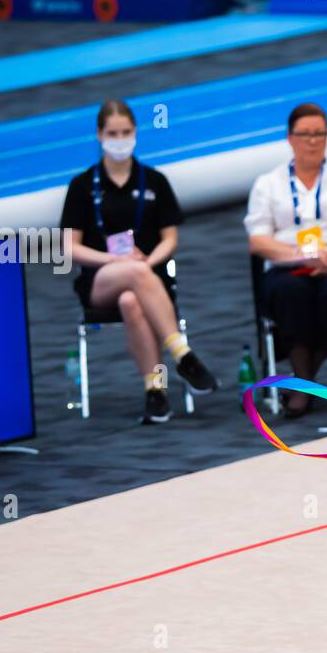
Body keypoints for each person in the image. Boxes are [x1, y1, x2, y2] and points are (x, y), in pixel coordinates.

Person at [61, 99, 219, 424]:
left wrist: (146, 263)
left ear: (136, 132)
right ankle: (181, 354)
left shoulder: (155, 181)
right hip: (101, 279)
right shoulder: (81, 186)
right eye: (112, 133)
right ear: (99, 135)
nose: (120, 139)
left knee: (132, 299)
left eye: (126, 132)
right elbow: (69, 248)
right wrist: (114, 260)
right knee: (130, 275)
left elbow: (170, 240)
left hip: (150, 276)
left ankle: (155, 390)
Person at [245, 103, 327, 418]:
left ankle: (302, 383)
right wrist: (297, 256)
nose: (313, 141)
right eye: (305, 134)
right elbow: (258, 240)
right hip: (288, 264)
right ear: (290, 138)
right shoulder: (268, 183)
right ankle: (306, 383)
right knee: (291, 295)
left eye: (319, 133)